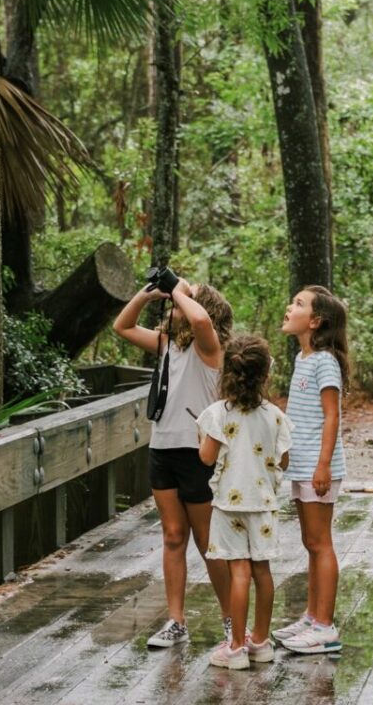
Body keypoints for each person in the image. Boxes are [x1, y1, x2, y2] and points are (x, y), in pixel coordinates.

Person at [113, 275, 236, 648]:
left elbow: (199, 322)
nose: (180, 303)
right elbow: (122, 326)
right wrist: (151, 293)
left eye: (191, 297)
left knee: (207, 541)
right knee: (172, 537)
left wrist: (182, 292)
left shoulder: (210, 347)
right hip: (162, 449)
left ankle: (233, 620)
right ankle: (176, 621)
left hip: (197, 453)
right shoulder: (167, 345)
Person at [196, 336, 293, 670]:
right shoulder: (275, 416)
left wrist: (205, 441)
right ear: (265, 375)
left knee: (238, 571)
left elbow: (206, 458)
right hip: (263, 503)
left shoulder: (216, 414)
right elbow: (283, 462)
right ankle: (261, 642)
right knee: (262, 571)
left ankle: (236, 648)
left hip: (228, 505)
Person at [272, 286, 352, 656]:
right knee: (310, 542)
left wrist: (322, 464)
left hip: (319, 466)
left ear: (316, 321)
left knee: (321, 543)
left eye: (299, 304)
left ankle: (325, 626)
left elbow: (332, 415)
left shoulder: (324, 361)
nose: (291, 307)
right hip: (302, 464)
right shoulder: (303, 359)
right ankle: (311, 616)